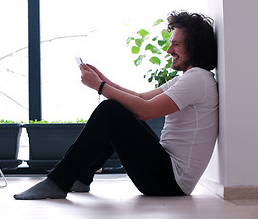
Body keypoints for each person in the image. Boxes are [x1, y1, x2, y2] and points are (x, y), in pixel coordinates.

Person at [14, 10, 218, 200]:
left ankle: (58, 182)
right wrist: (103, 81)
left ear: (193, 47)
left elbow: (145, 111)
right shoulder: (192, 78)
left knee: (111, 111)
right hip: (167, 175)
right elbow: (141, 98)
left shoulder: (197, 80)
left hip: (171, 181)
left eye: (175, 44)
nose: (168, 50)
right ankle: (81, 178)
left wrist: (100, 86)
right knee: (116, 109)